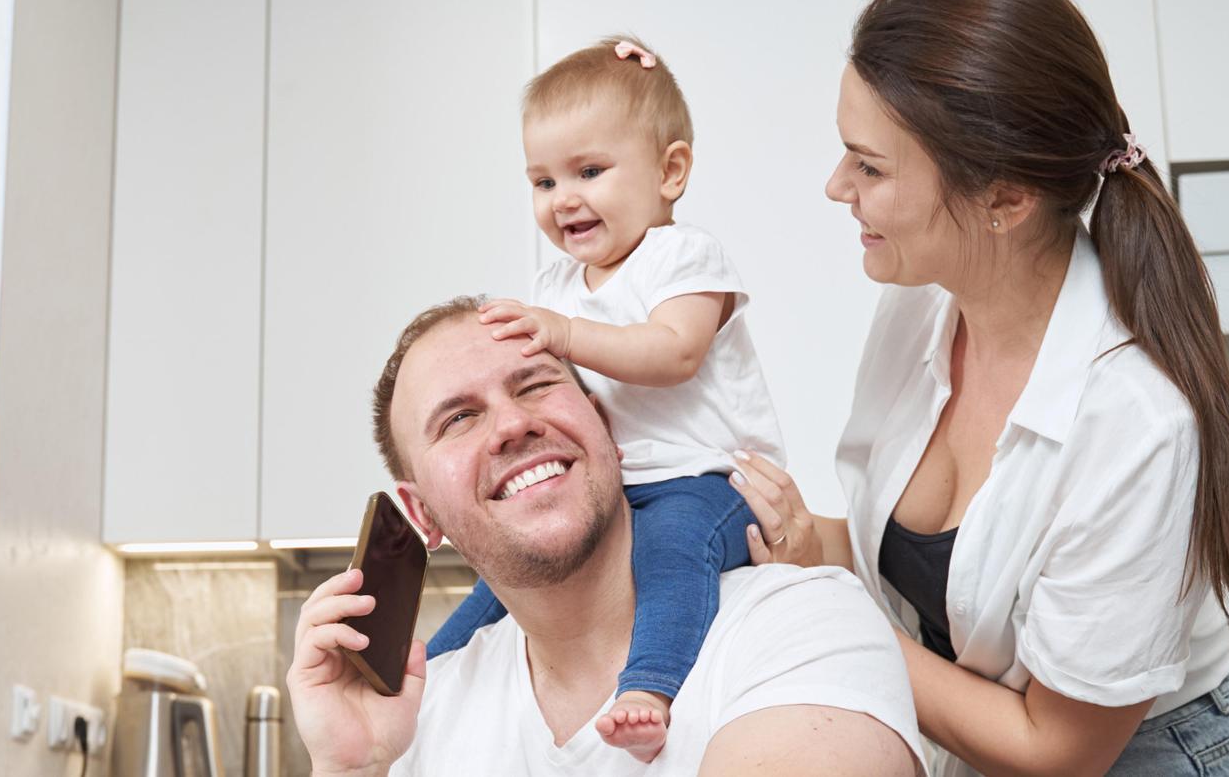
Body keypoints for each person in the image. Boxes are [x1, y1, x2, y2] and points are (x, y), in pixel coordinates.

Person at [730, 0, 1229, 774]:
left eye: (870, 166)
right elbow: (921, 569)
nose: (836, 187)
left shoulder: (1134, 421)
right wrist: (792, 535)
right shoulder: (921, 308)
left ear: (1002, 200)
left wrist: (830, 614)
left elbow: (1056, 749)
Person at [286, 297, 921, 776]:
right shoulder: (413, 720)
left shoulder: (800, 625)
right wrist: (354, 769)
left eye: (535, 385)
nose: (512, 424)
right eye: (459, 419)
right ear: (423, 515)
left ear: (609, 430)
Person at [426, 34, 787, 763]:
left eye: (589, 171)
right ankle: (422, 679)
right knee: (511, 583)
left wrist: (563, 332)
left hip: (709, 477)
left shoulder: (683, 257)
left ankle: (649, 687)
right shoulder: (555, 285)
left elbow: (674, 352)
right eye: (543, 182)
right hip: (620, 484)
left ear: (670, 171)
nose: (565, 200)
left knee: (671, 555)